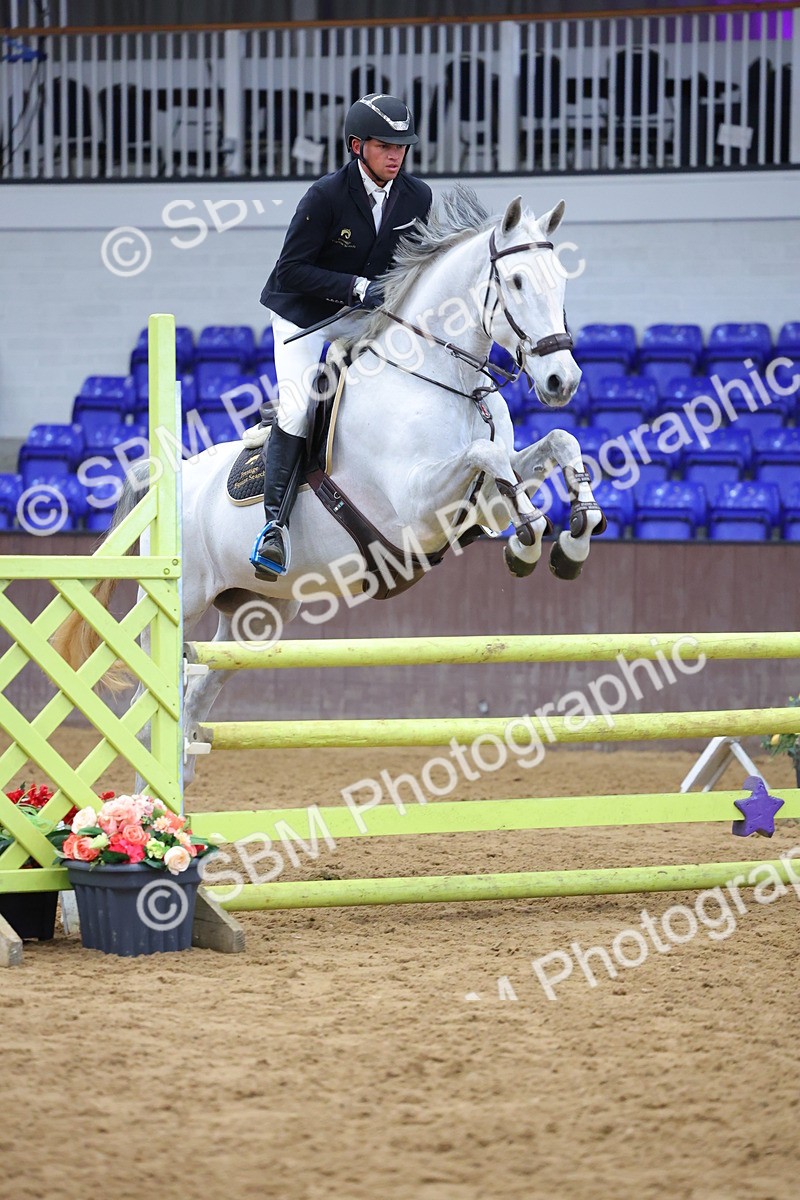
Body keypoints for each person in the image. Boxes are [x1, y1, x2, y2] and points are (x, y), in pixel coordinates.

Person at [251, 93, 432, 578]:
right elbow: (290, 271)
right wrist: (355, 286)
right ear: (357, 146)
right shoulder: (325, 196)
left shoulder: (417, 196)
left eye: (402, 146)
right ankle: (274, 527)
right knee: (298, 407)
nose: (396, 155)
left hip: (360, 316)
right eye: (384, 145)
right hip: (304, 318)